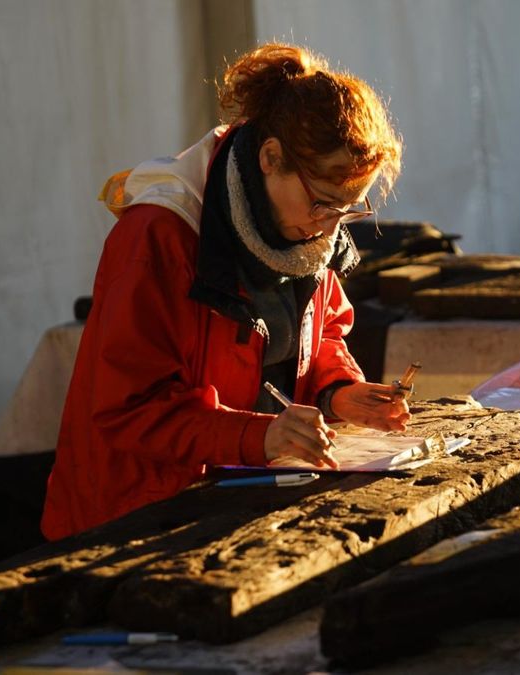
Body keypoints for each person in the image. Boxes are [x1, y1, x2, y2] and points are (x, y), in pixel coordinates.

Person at [41, 43, 410, 540]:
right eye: (324, 204)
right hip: (133, 518)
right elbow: (128, 409)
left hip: (242, 496)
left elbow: (320, 334)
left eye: (350, 210)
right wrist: (256, 435)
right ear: (270, 157)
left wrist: (338, 392)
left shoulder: (309, 234)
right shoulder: (160, 236)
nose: (330, 228)